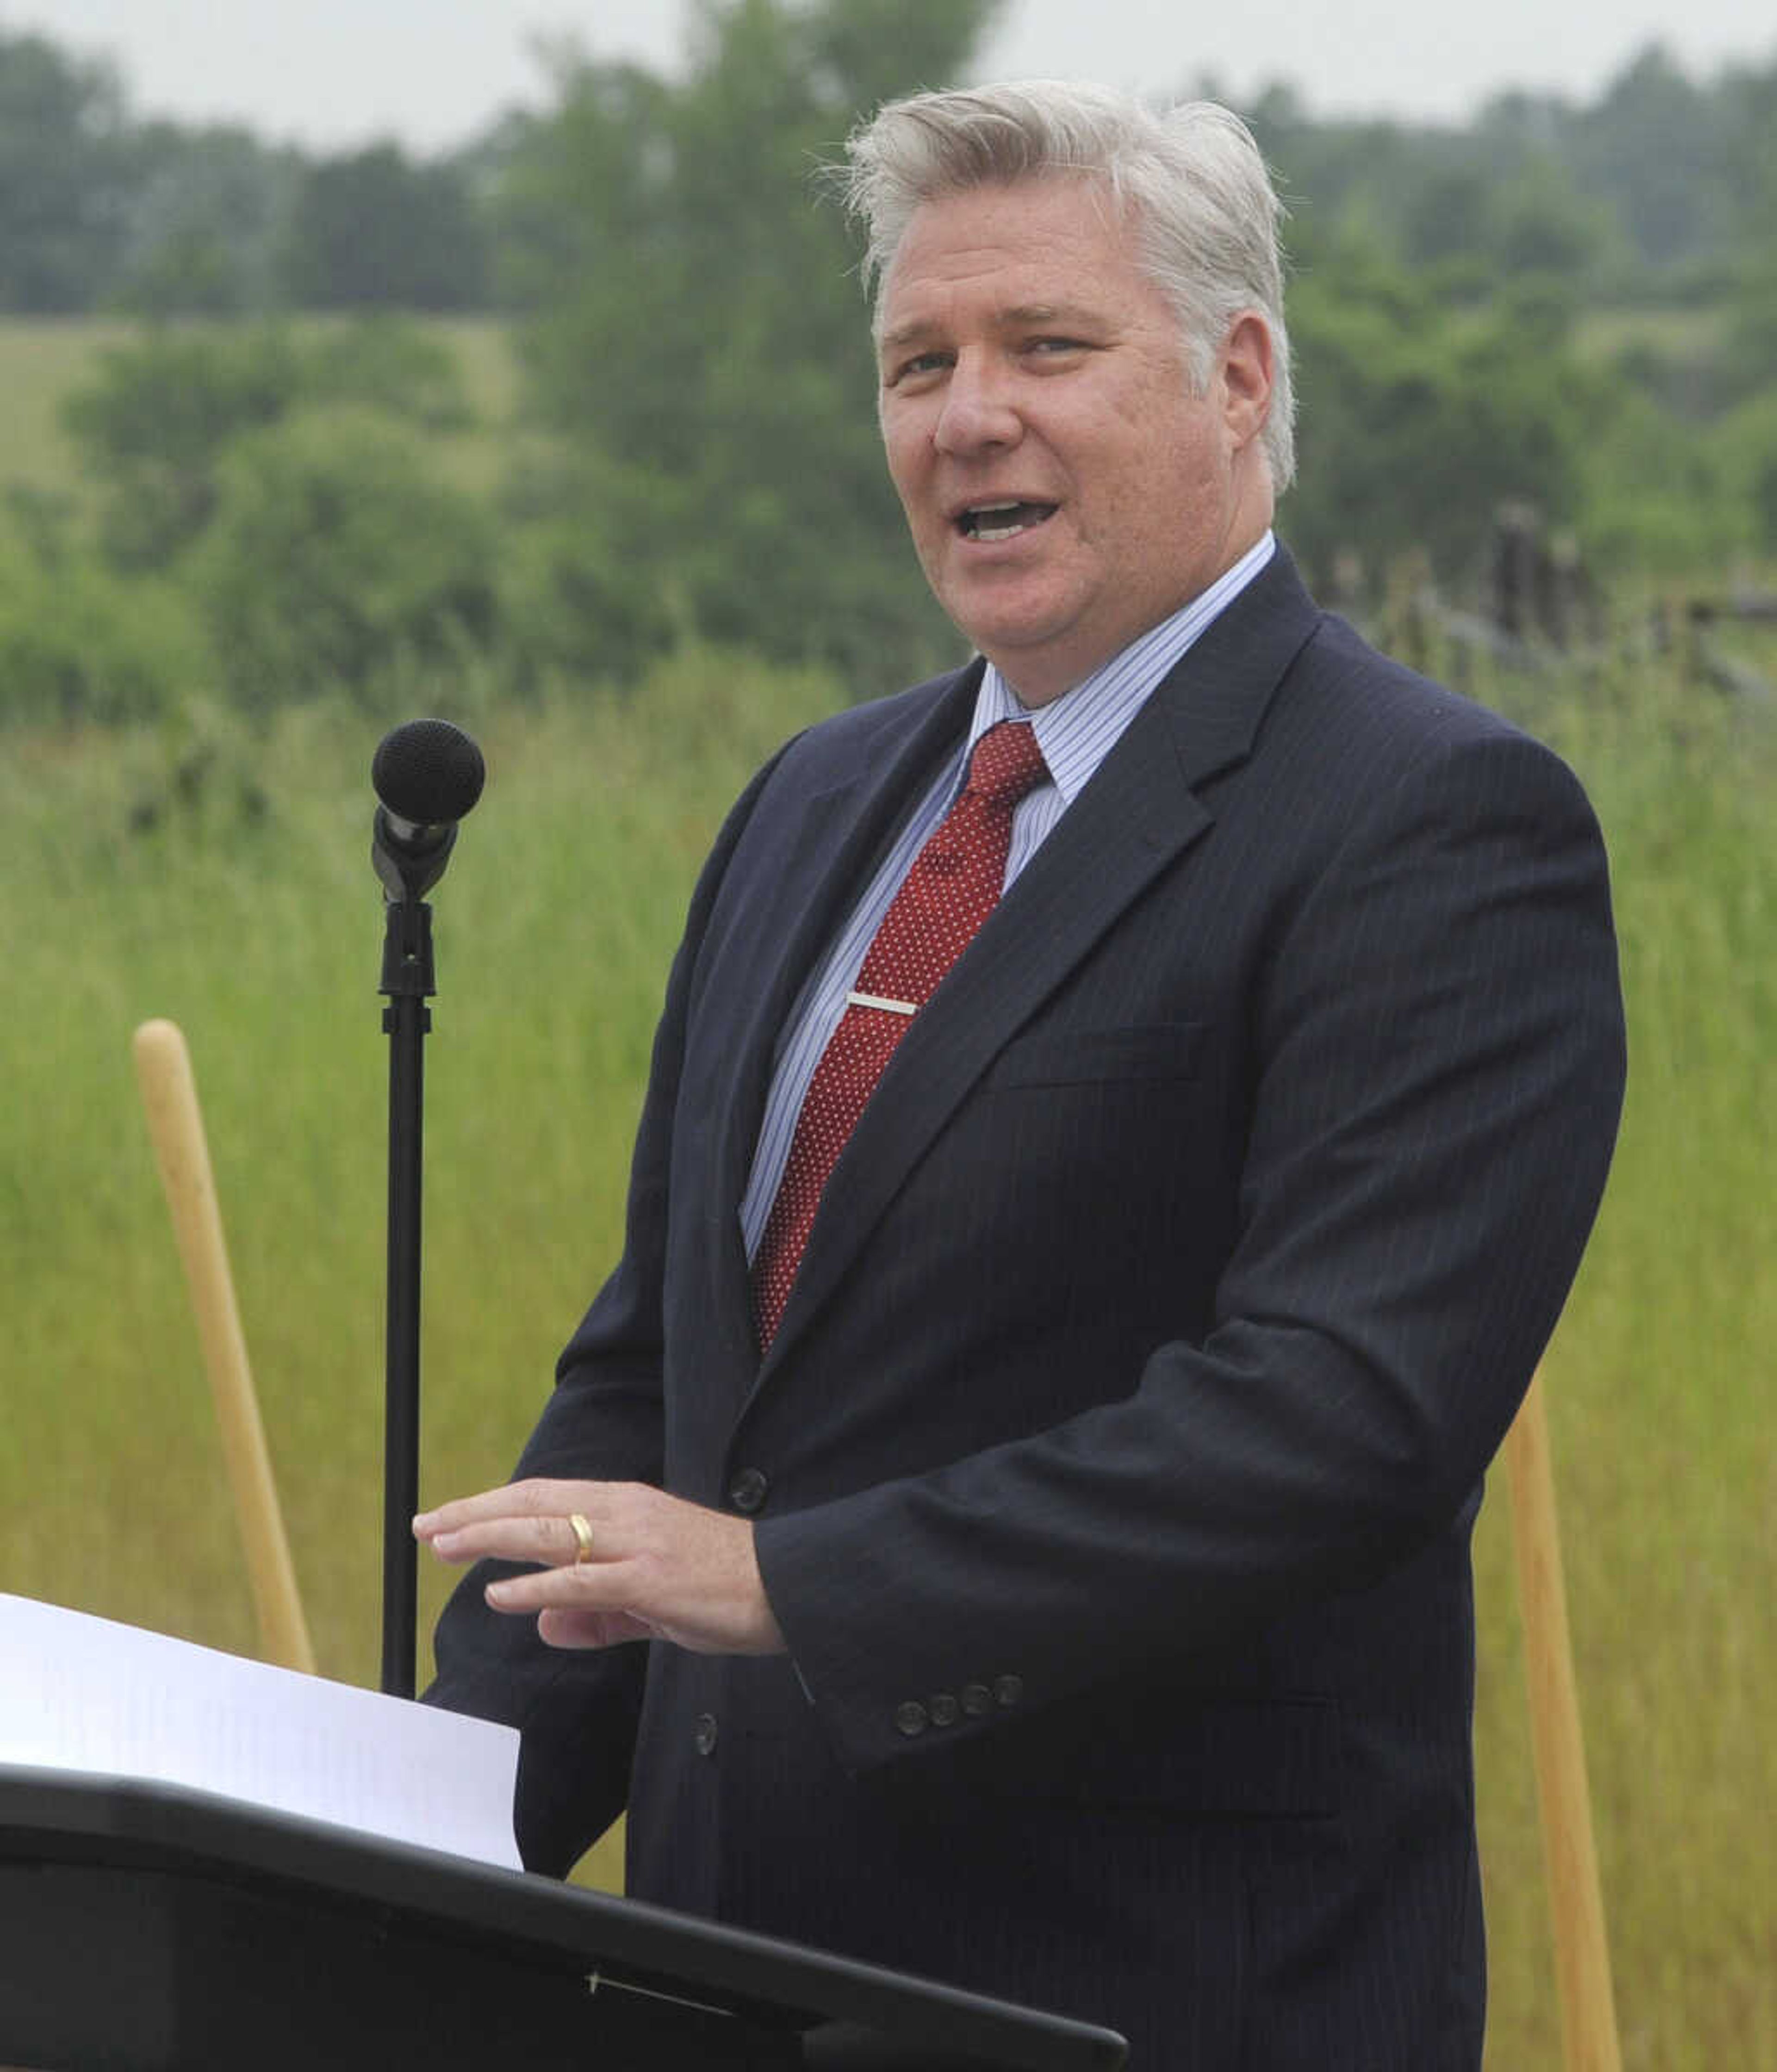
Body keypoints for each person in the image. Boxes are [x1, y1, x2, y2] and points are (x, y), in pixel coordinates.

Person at [416, 80, 1625, 2068]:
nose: (967, 414)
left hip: (1152, 1991)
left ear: (1238, 376)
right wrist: (434, 1825)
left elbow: (1338, 1419)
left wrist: (793, 1585)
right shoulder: (814, 804)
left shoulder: (1433, 822)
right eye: (920, 362)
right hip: (728, 1981)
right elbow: (666, 1391)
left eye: (1046, 347)